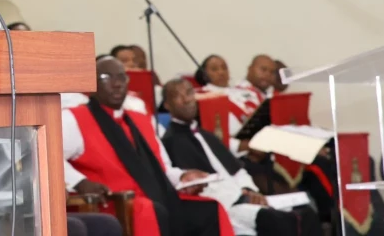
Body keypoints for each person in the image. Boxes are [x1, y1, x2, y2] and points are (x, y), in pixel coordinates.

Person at [63, 56, 233, 236]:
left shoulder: (142, 120)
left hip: (155, 197)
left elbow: (162, 169)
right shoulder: (74, 119)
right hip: (115, 203)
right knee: (151, 211)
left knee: (210, 211)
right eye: (106, 78)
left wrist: (183, 177)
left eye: (121, 77)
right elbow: (49, 158)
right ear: (92, 83)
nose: (117, 84)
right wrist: (79, 182)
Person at [162, 79, 320, 235]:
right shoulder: (171, 142)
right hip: (226, 206)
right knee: (282, 221)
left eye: (189, 93)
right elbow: (197, 187)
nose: (187, 99)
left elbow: (237, 171)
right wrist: (241, 196)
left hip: (245, 197)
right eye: (178, 96)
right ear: (167, 105)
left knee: (306, 212)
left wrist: (249, 190)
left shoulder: (207, 135)